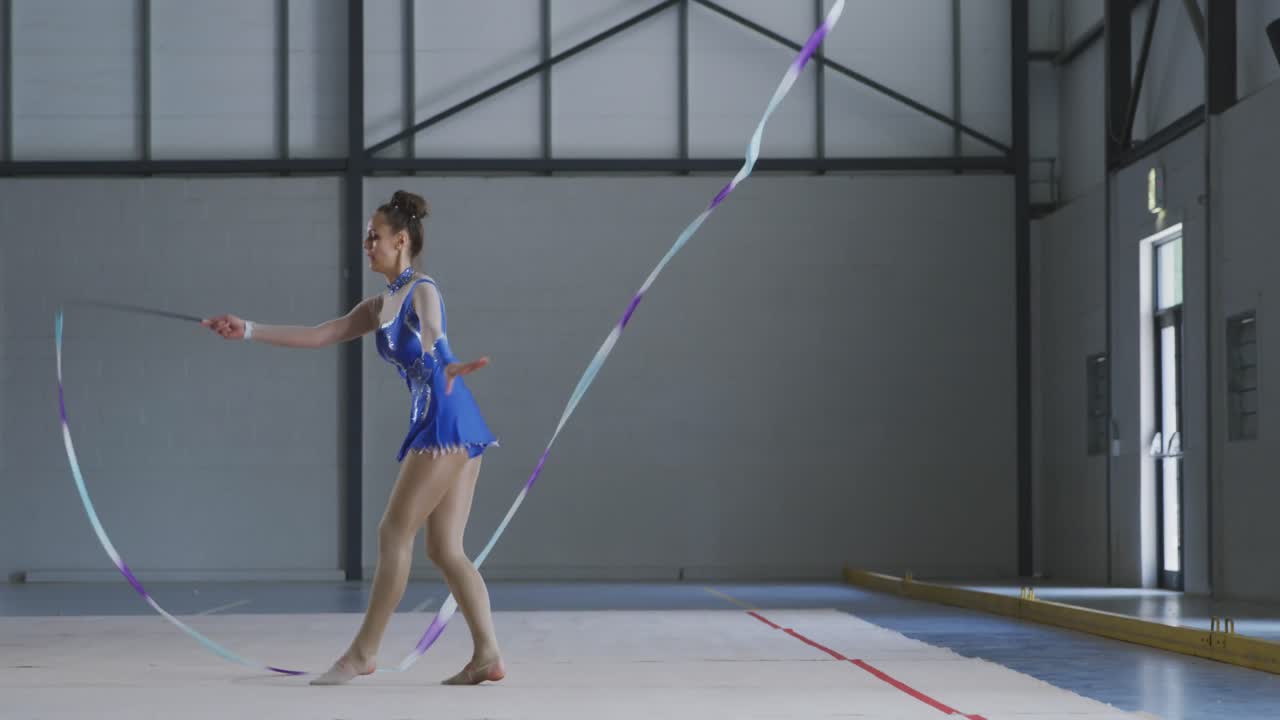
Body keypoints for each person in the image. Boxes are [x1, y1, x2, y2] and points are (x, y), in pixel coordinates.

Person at [202, 190, 504, 686]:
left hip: (444, 416)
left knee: (393, 533)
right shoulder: (377, 305)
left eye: (375, 237)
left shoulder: (423, 288)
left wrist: (446, 360)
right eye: (367, 237)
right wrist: (248, 329)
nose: (367, 245)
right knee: (445, 548)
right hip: (454, 418)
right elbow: (321, 334)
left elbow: (432, 330)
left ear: (401, 240)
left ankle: (364, 652)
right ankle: (487, 654)